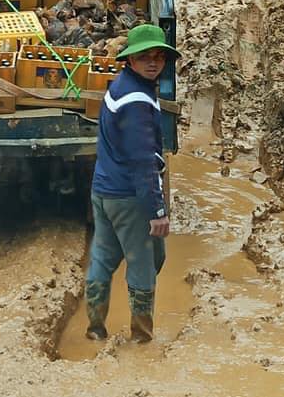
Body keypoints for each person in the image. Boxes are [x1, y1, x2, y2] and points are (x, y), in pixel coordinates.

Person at [85, 24, 177, 343]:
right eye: (145, 56)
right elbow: (142, 161)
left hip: (104, 190)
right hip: (129, 197)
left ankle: (95, 328)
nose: (153, 63)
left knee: (103, 257)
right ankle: (141, 337)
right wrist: (157, 210)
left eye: (159, 56)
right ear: (131, 59)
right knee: (145, 262)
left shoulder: (120, 86)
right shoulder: (137, 101)